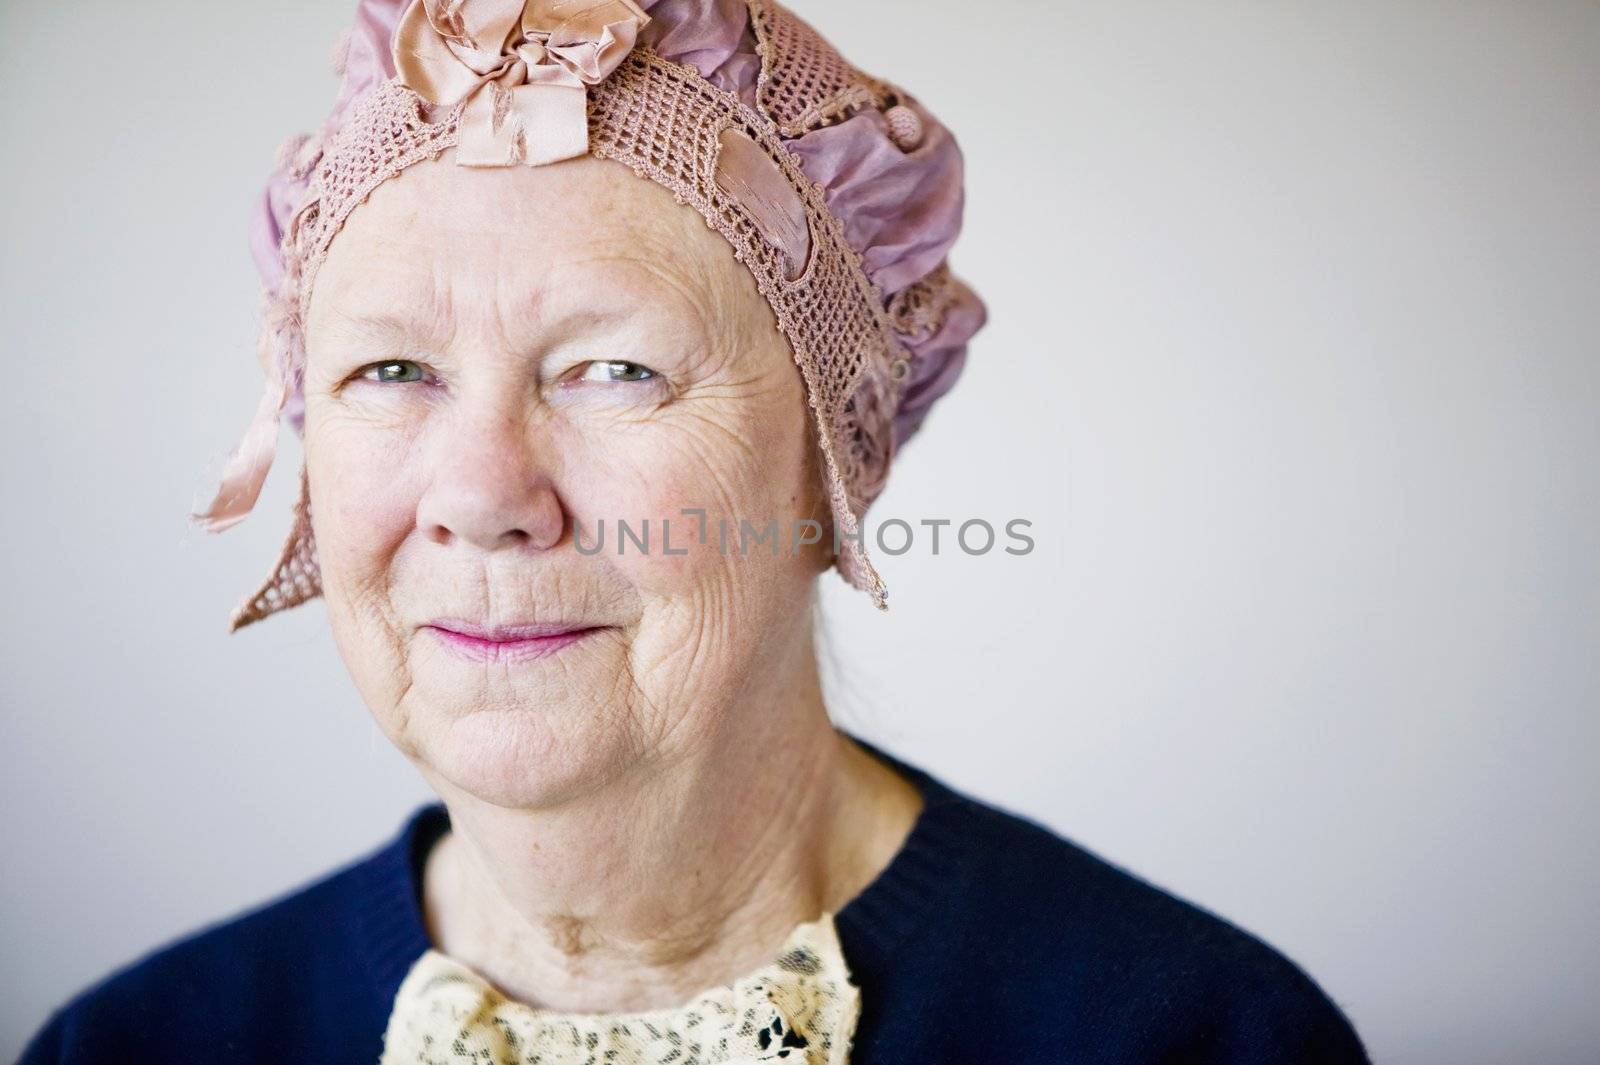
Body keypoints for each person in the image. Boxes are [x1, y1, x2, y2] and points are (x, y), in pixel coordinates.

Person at [19, 0, 1371, 1061]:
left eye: (615, 370)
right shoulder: (133, 1043)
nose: (484, 492)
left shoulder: (1190, 1037)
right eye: (390, 371)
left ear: (834, 452)